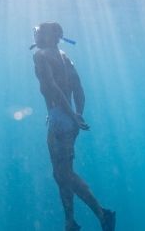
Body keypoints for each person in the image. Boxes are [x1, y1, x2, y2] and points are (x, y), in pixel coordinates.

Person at [31, 22, 116, 231]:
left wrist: (69, 114)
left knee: (63, 174)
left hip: (60, 119)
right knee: (62, 173)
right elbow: (78, 88)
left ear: (49, 36)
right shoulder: (64, 56)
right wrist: (78, 115)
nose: (36, 35)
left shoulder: (40, 55)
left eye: (40, 32)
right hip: (65, 119)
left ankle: (102, 214)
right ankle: (70, 222)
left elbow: (51, 86)